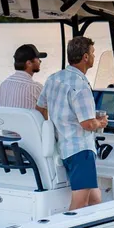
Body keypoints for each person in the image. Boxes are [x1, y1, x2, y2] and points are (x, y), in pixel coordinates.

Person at [37, 36, 108, 210]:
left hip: (63, 148)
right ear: (85, 57)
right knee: (80, 204)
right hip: (81, 151)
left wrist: (54, 128)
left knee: (95, 200)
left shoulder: (53, 78)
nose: (93, 56)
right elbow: (87, 124)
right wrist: (100, 122)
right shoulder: (81, 86)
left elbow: (40, 109)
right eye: (92, 53)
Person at [0, 44, 48, 117]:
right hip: (27, 128)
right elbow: (43, 118)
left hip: (6, 127)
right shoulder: (35, 87)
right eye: (37, 59)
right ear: (29, 63)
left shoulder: (4, 84)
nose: (40, 61)